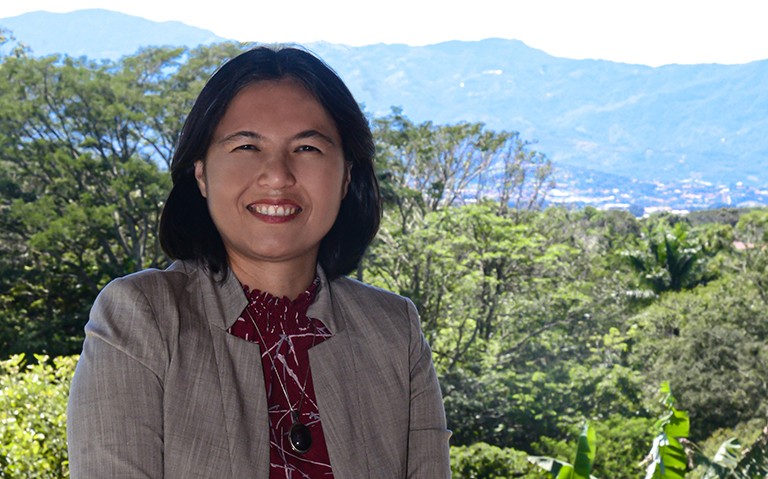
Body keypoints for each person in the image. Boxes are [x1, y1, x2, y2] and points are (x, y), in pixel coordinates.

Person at [66, 45, 452, 478]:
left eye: (307, 148)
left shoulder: (393, 330)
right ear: (201, 173)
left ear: (346, 176)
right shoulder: (143, 318)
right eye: (247, 145)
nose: (277, 175)